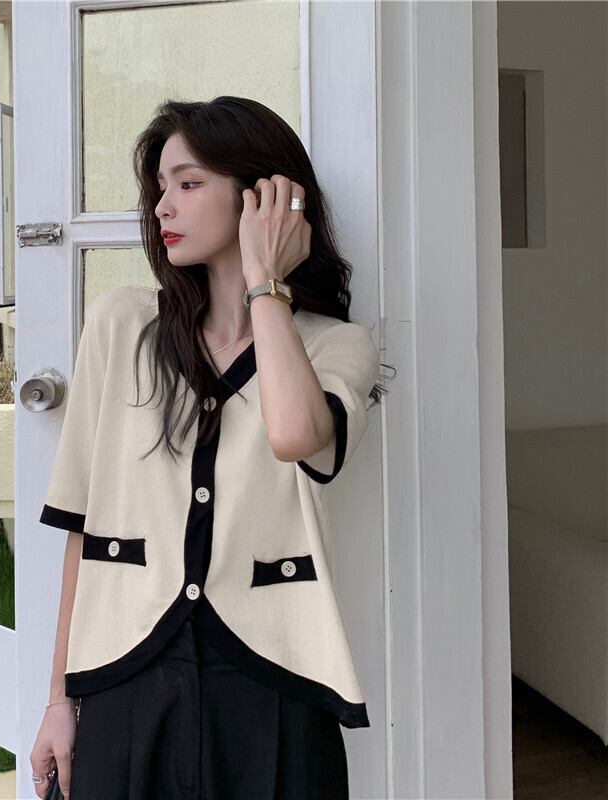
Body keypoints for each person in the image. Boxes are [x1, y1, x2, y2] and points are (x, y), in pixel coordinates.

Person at [30, 96, 387, 800]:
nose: (162, 206)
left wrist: (266, 285)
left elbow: (296, 436)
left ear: (264, 198)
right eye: (160, 187)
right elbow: (81, 526)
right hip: (125, 678)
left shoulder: (335, 345)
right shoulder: (120, 326)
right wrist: (57, 700)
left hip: (274, 682)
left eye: (188, 184)